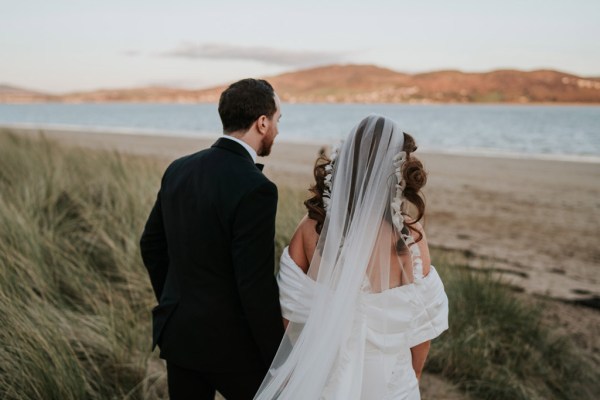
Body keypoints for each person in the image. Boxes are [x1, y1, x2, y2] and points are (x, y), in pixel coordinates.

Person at [254, 115, 449, 399]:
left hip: (324, 375)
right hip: (391, 384)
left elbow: (289, 309)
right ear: (398, 172)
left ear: (346, 165)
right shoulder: (411, 236)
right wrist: (413, 375)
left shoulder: (312, 227)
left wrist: (309, 357)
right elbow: (422, 327)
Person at [140, 78, 285, 400]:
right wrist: (280, 356)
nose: (277, 129)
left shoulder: (179, 169)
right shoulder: (256, 188)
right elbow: (255, 283)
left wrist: (175, 302)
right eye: (277, 121)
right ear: (262, 123)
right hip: (233, 347)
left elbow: (151, 245)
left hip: (179, 335)